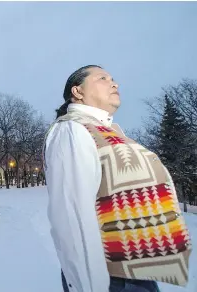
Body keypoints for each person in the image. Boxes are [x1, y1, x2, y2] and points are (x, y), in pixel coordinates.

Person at [43, 65, 192, 292]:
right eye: (102, 78)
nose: (115, 83)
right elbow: (73, 218)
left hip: (137, 272)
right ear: (78, 91)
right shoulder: (73, 130)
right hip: (109, 278)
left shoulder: (110, 133)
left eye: (112, 78)